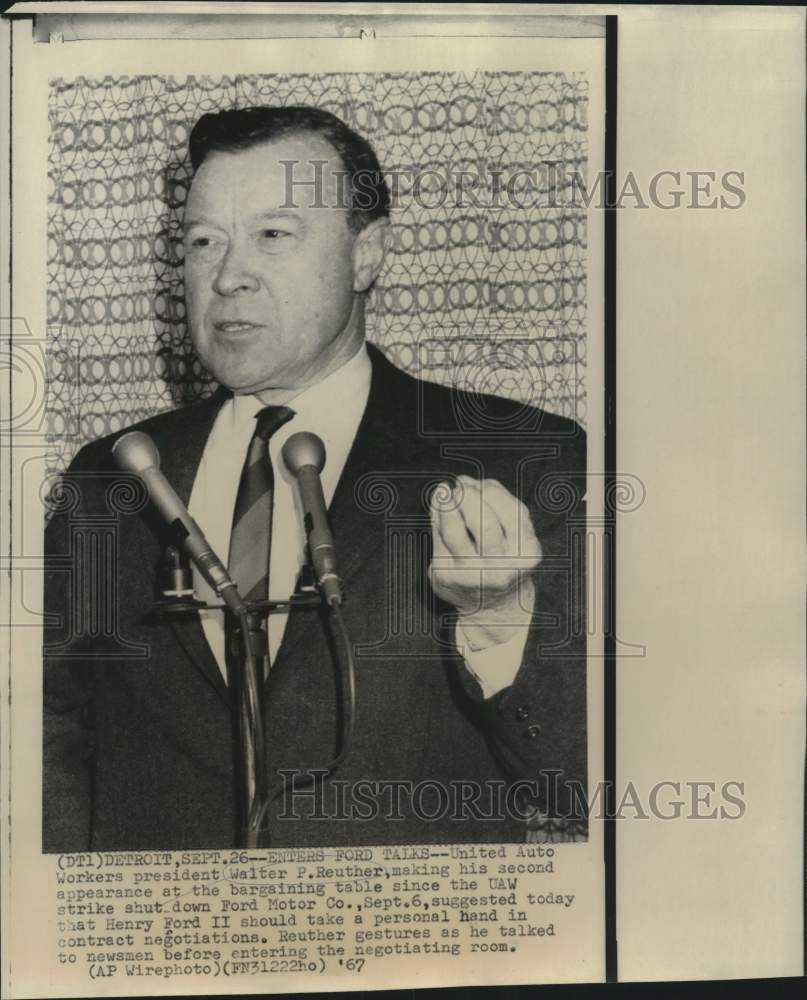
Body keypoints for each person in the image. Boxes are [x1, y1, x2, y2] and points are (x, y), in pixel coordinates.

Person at [43, 106, 586, 851]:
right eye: (202, 242)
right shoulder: (113, 476)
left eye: (273, 235)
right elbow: (46, 734)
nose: (228, 276)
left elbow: (575, 781)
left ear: (367, 255)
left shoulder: (520, 458)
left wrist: (499, 619)